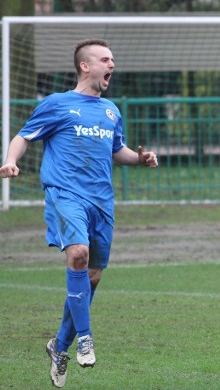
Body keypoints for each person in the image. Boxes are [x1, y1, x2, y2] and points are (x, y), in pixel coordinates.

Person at [0, 39, 158, 388]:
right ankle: (85, 337)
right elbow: (23, 137)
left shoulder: (111, 110)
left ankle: (59, 346)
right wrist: (11, 161)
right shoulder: (57, 104)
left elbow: (118, 150)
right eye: (105, 59)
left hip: (102, 201)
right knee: (78, 255)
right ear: (85, 66)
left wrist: (141, 158)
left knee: (93, 277)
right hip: (66, 194)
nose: (112, 64)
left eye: (113, 59)